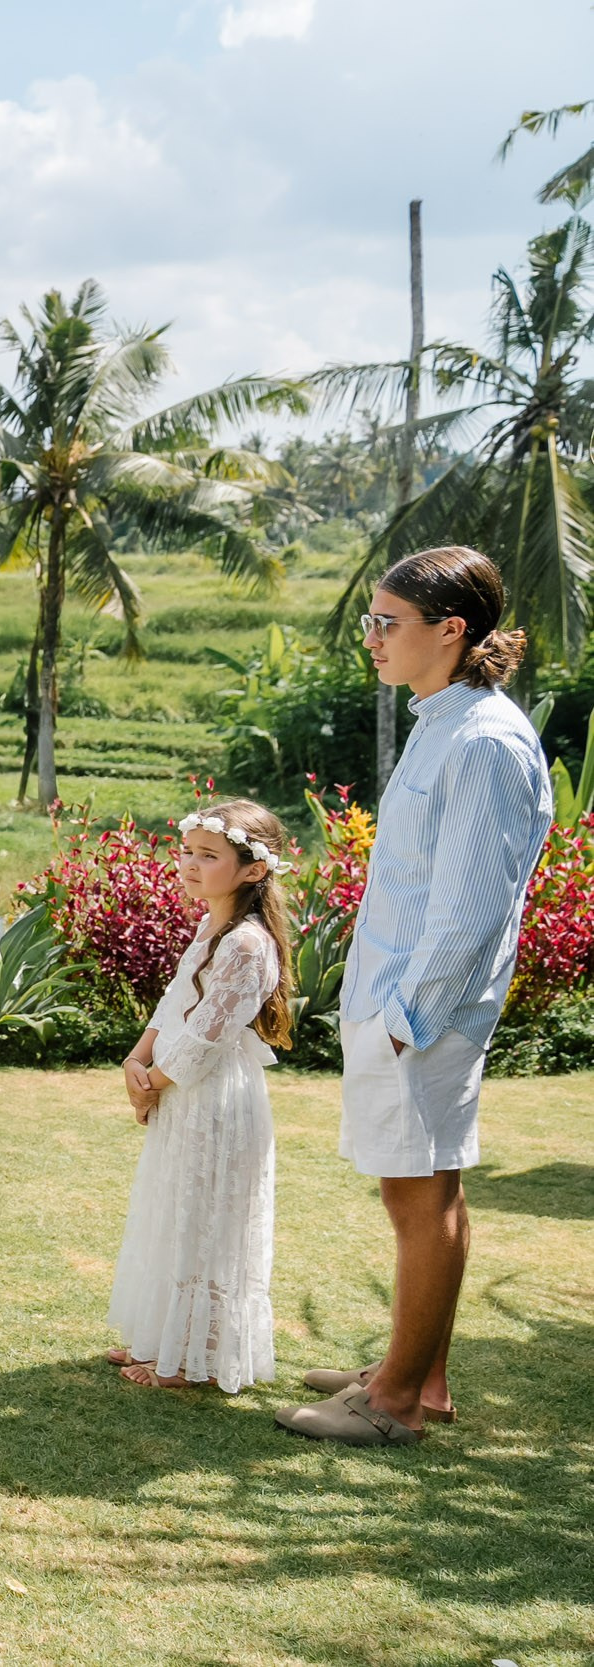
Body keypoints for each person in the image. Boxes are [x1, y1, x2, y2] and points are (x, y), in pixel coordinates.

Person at [278, 546, 552, 1447]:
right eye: (370, 620)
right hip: (400, 1002)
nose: (371, 640)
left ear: (452, 630)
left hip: (420, 1011)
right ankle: (419, 1376)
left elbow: (470, 908)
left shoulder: (482, 740)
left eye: (387, 623)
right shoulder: (446, 720)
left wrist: (408, 1018)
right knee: (432, 1188)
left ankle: (393, 1400)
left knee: (417, 1198)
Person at [106, 798, 295, 1394]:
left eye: (208, 856)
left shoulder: (246, 943)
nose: (189, 864)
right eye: (186, 852)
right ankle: (165, 1337)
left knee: (208, 1220)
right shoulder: (210, 926)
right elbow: (173, 1008)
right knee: (175, 1210)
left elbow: (206, 1037)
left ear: (253, 870)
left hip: (214, 1096)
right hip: (181, 1089)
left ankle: (196, 1358)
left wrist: (152, 1081)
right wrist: (136, 1061)